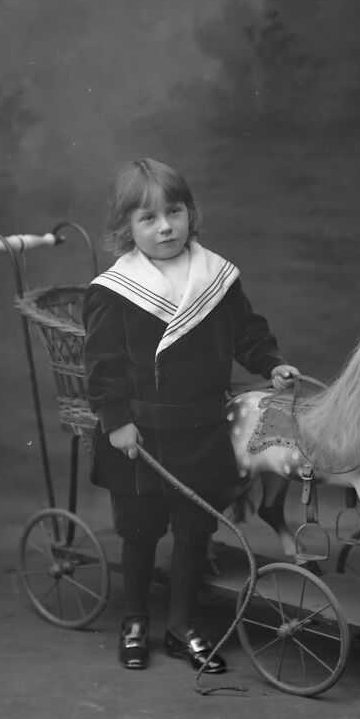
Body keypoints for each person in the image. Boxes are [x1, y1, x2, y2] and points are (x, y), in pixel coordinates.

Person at [83, 157, 299, 672]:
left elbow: (247, 332)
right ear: (127, 229)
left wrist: (271, 363)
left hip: (201, 428)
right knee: (139, 530)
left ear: (190, 214)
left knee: (194, 528)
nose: (165, 227)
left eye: (174, 212)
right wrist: (116, 421)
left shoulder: (215, 277)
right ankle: (135, 619)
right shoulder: (114, 289)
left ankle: (182, 625)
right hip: (140, 433)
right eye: (149, 218)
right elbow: (102, 365)